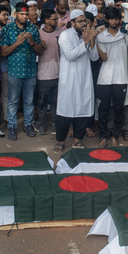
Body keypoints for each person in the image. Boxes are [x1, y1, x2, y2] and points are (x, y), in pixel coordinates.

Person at [54, 9, 98, 153]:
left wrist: (91, 40)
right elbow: (71, 55)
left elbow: (94, 57)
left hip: (84, 79)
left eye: (85, 21)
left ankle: (77, 140)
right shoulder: (65, 36)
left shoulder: (87, 35)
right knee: (65, 111)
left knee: (82, 109)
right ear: (72, 23)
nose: (84, 24)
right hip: (68, 80)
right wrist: (85, 42)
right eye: (80, 21)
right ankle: (60, 141)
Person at [0, 2, 45, 141]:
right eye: (22, 14)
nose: (25, 16)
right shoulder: (7, 29)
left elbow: (40, 51)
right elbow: (4, 52)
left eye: (26, 14)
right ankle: (12, 126)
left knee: (29, 101)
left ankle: (28, 124)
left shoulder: (33, 29)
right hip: (14, 71)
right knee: (13, 100)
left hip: (30, 71)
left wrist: (32, 43)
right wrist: (17, 43)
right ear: (15, 14)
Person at [96, 6, 128, 147]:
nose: (114, 21)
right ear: (106, 19)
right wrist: (95, 40)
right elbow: (104, 57)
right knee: (104, 110)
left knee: (119, 110)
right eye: (111, 18)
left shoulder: (124, 35)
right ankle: (102, 137)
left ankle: (115, 137)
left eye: (116, 18)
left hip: (121, 78)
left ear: (119, 20)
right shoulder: (100, 37)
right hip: (105, 79)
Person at [34, 8, 64, 136]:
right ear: (46, 20)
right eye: (54, 18)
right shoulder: (39, 34)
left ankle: (54, 124)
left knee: (56, 102)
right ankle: (41, 124)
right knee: (42, 102)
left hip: (59, 73)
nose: (57, 20)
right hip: (43, 74)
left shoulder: (62, 33)